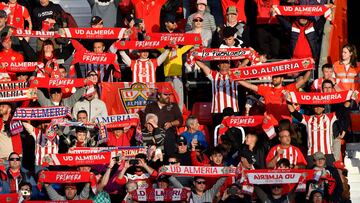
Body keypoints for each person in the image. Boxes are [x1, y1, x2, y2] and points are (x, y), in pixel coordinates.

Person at [287, 96, 351, 165]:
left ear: (323, 108)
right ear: (313, 108)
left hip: (327, 153)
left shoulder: (330, 117)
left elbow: (344, 108)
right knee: (311, 175)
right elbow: (293, 112)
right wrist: (287, 100)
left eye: (320, 106)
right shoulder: (307, 119)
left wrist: (351, 97)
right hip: (312, 154)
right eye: (316, 106)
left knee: (331, 174)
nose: (318, 108)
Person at [237, 71, 311, 122]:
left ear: (282, 79)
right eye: (273, 77)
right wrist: (236, 78)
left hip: (285, 123)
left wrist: (310, 68)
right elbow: (249, 86)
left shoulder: (288, 88)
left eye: (277, 77)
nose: (274, 78)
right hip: (270, 123)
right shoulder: (266, 89)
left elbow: (304, 80)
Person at [195, 60, 239, 125]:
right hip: (218, 110)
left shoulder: (236, 74)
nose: (224, 64)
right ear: (218, 65)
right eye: (222, 63)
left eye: (226, 63)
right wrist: (194, 56)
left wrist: (250, 54)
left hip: (233, 110)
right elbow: (203, 66)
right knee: (218, 131)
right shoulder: (214, 74)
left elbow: (243, 65)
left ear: (229, 65)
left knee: (234, 131)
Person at [144, 86, 183, 157]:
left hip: (168, 133)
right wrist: (150, 127)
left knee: (169, 135)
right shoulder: (150, 106)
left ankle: (169, 159)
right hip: (154, 133)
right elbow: (145, 121)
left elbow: (180, 120)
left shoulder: (173, 106)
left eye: (169, 95)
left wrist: (171, 123)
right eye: (165, 94)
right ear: (159, 95)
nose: (168, 96)